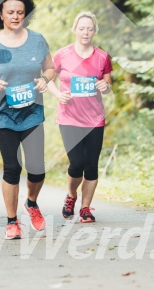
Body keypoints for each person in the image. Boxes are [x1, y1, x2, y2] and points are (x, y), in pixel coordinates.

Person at [0, 0, 55, 239]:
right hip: (3, 115)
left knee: (37, 169)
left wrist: (45, 80)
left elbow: (51, 69)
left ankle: (31, 204)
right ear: (1, 14)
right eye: (10, 12)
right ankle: (12, 222)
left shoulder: (37, 40)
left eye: (20, 12)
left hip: (32, 112)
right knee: (11, 168)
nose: (15, 16)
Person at [46, 11, 112, 223]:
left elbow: (108, 85)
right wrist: (58, 94)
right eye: (82, 28)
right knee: (76, 164)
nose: (86, 32)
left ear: (94, 31)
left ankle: (85, 208)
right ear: (74, 29)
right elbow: (47, 79)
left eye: (90, 29)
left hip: (94, 119)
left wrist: (105, 86)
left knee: (91, 165)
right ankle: (72, 196)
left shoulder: (102, 57)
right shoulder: (62, 55)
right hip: (69, 118)